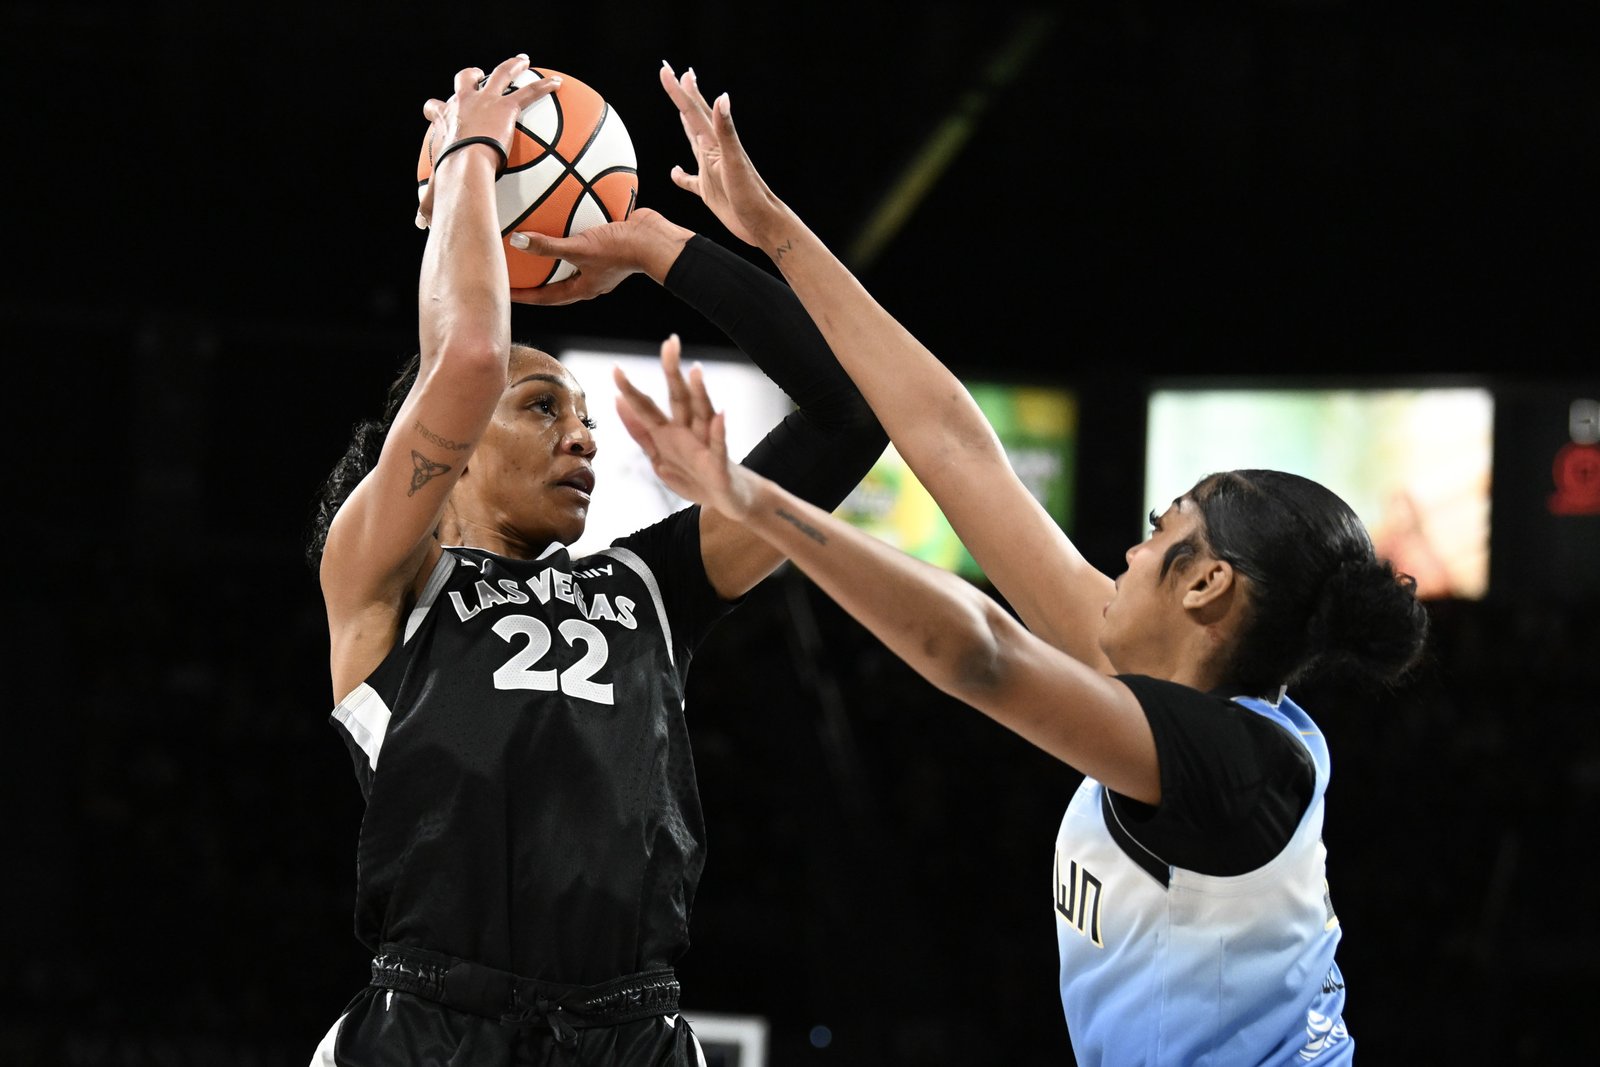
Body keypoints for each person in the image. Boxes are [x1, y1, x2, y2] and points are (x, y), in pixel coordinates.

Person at [606, 64, 1430, 1065]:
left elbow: (982, 653)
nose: (1126, 551)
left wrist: (760, 505)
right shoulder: (1168, 694)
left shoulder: (1236, 764)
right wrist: (766, 229)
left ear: (1207, 583)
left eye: (1158, 530)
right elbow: (950, 439)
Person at [304, 55, 885, 1066]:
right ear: (447, 447)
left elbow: (851, 415)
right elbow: (467, 358)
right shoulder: (383, 576)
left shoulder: (649, 586)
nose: (582, 436)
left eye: (583, 417)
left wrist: (667, 250)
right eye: (543, 407)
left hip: (632, 1030)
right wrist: (471, 158)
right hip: (433, 1027)